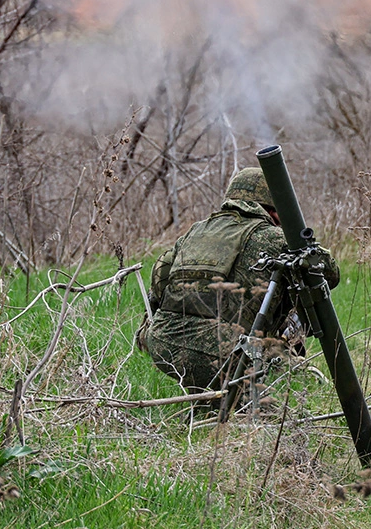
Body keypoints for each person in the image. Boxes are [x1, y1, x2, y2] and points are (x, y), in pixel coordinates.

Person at [136, 167, 339, 399]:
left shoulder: (195, 232)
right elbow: (330, 273)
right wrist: (295, 235)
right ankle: (278, 379)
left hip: (163, 344)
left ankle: (206, 399)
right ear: (273, 210)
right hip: (227, 353)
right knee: (270, 409)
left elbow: (159, 285)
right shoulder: (273, 237)